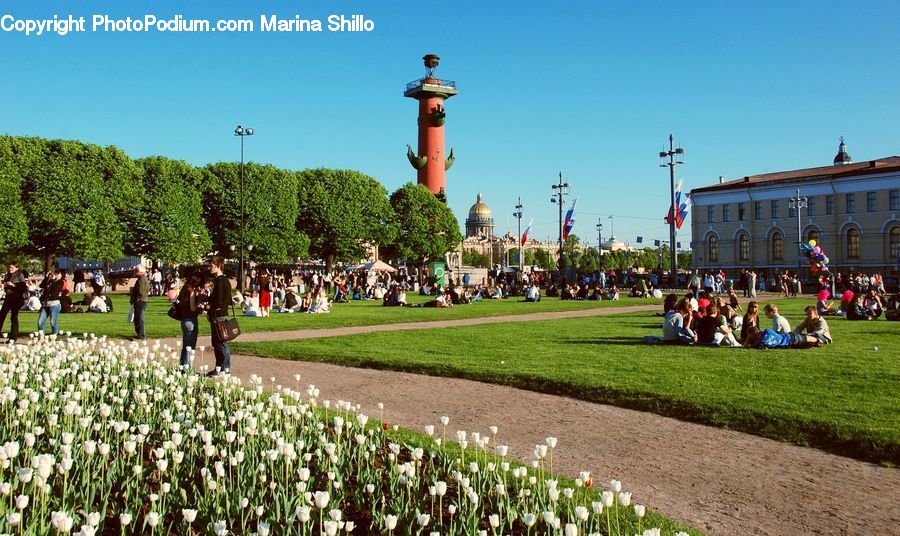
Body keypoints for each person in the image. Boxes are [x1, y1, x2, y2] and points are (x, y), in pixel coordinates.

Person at [207, 257, 233, 377]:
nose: (209, 267)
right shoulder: (221, 280)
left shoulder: (221, 281)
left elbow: (220, 301)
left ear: (218, 266)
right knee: (218, 343)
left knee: (221, 343)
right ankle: (220, 367)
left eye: (211, 265)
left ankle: (224, 368)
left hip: (219, 315)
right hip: (219, 314)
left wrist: (210, 308)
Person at [177, 272, 205, 369]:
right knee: (190, 347)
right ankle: (186, 367)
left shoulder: (184, 288)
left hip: (184, 319)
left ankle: (182, 365)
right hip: (190, 320)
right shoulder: (191, 291)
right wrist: (199, 299)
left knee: (185, 346)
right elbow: (193, 308)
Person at [0, 261, 27, 343]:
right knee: (2, 315)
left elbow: (23, 286)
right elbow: (5, 287)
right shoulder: (8, 275)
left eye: (12, 267)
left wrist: (14, 285)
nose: (10, 269)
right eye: (9, 267)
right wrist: (6, 285)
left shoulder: (19, 275)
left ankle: (13, 337)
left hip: (16, 298)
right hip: (8, 297)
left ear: (16, 268)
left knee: (14, 317)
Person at [37, 269, 65, 338]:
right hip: (46, 304)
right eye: (55, 273)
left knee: (53, 322)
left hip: (54, 304)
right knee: (40, 321)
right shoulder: (50, 281)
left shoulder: (60, 282)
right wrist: (47, 278)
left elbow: (55, 291)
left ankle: (53, 337)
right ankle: (42, 338)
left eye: (58, 274)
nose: (56, 275)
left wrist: (52, 280)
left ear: (61, 276)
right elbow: (42, 285)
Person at [130, 266, 149, 341]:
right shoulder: (143, 279)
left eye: (136, 270)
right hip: (141, 300)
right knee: (137, 318)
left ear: (140, 272)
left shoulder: (141, 280)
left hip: (140, 301)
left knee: (140, 319)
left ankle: (141, 335)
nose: (135, 272)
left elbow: (141, 292)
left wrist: (135, 298)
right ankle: (139, 334)